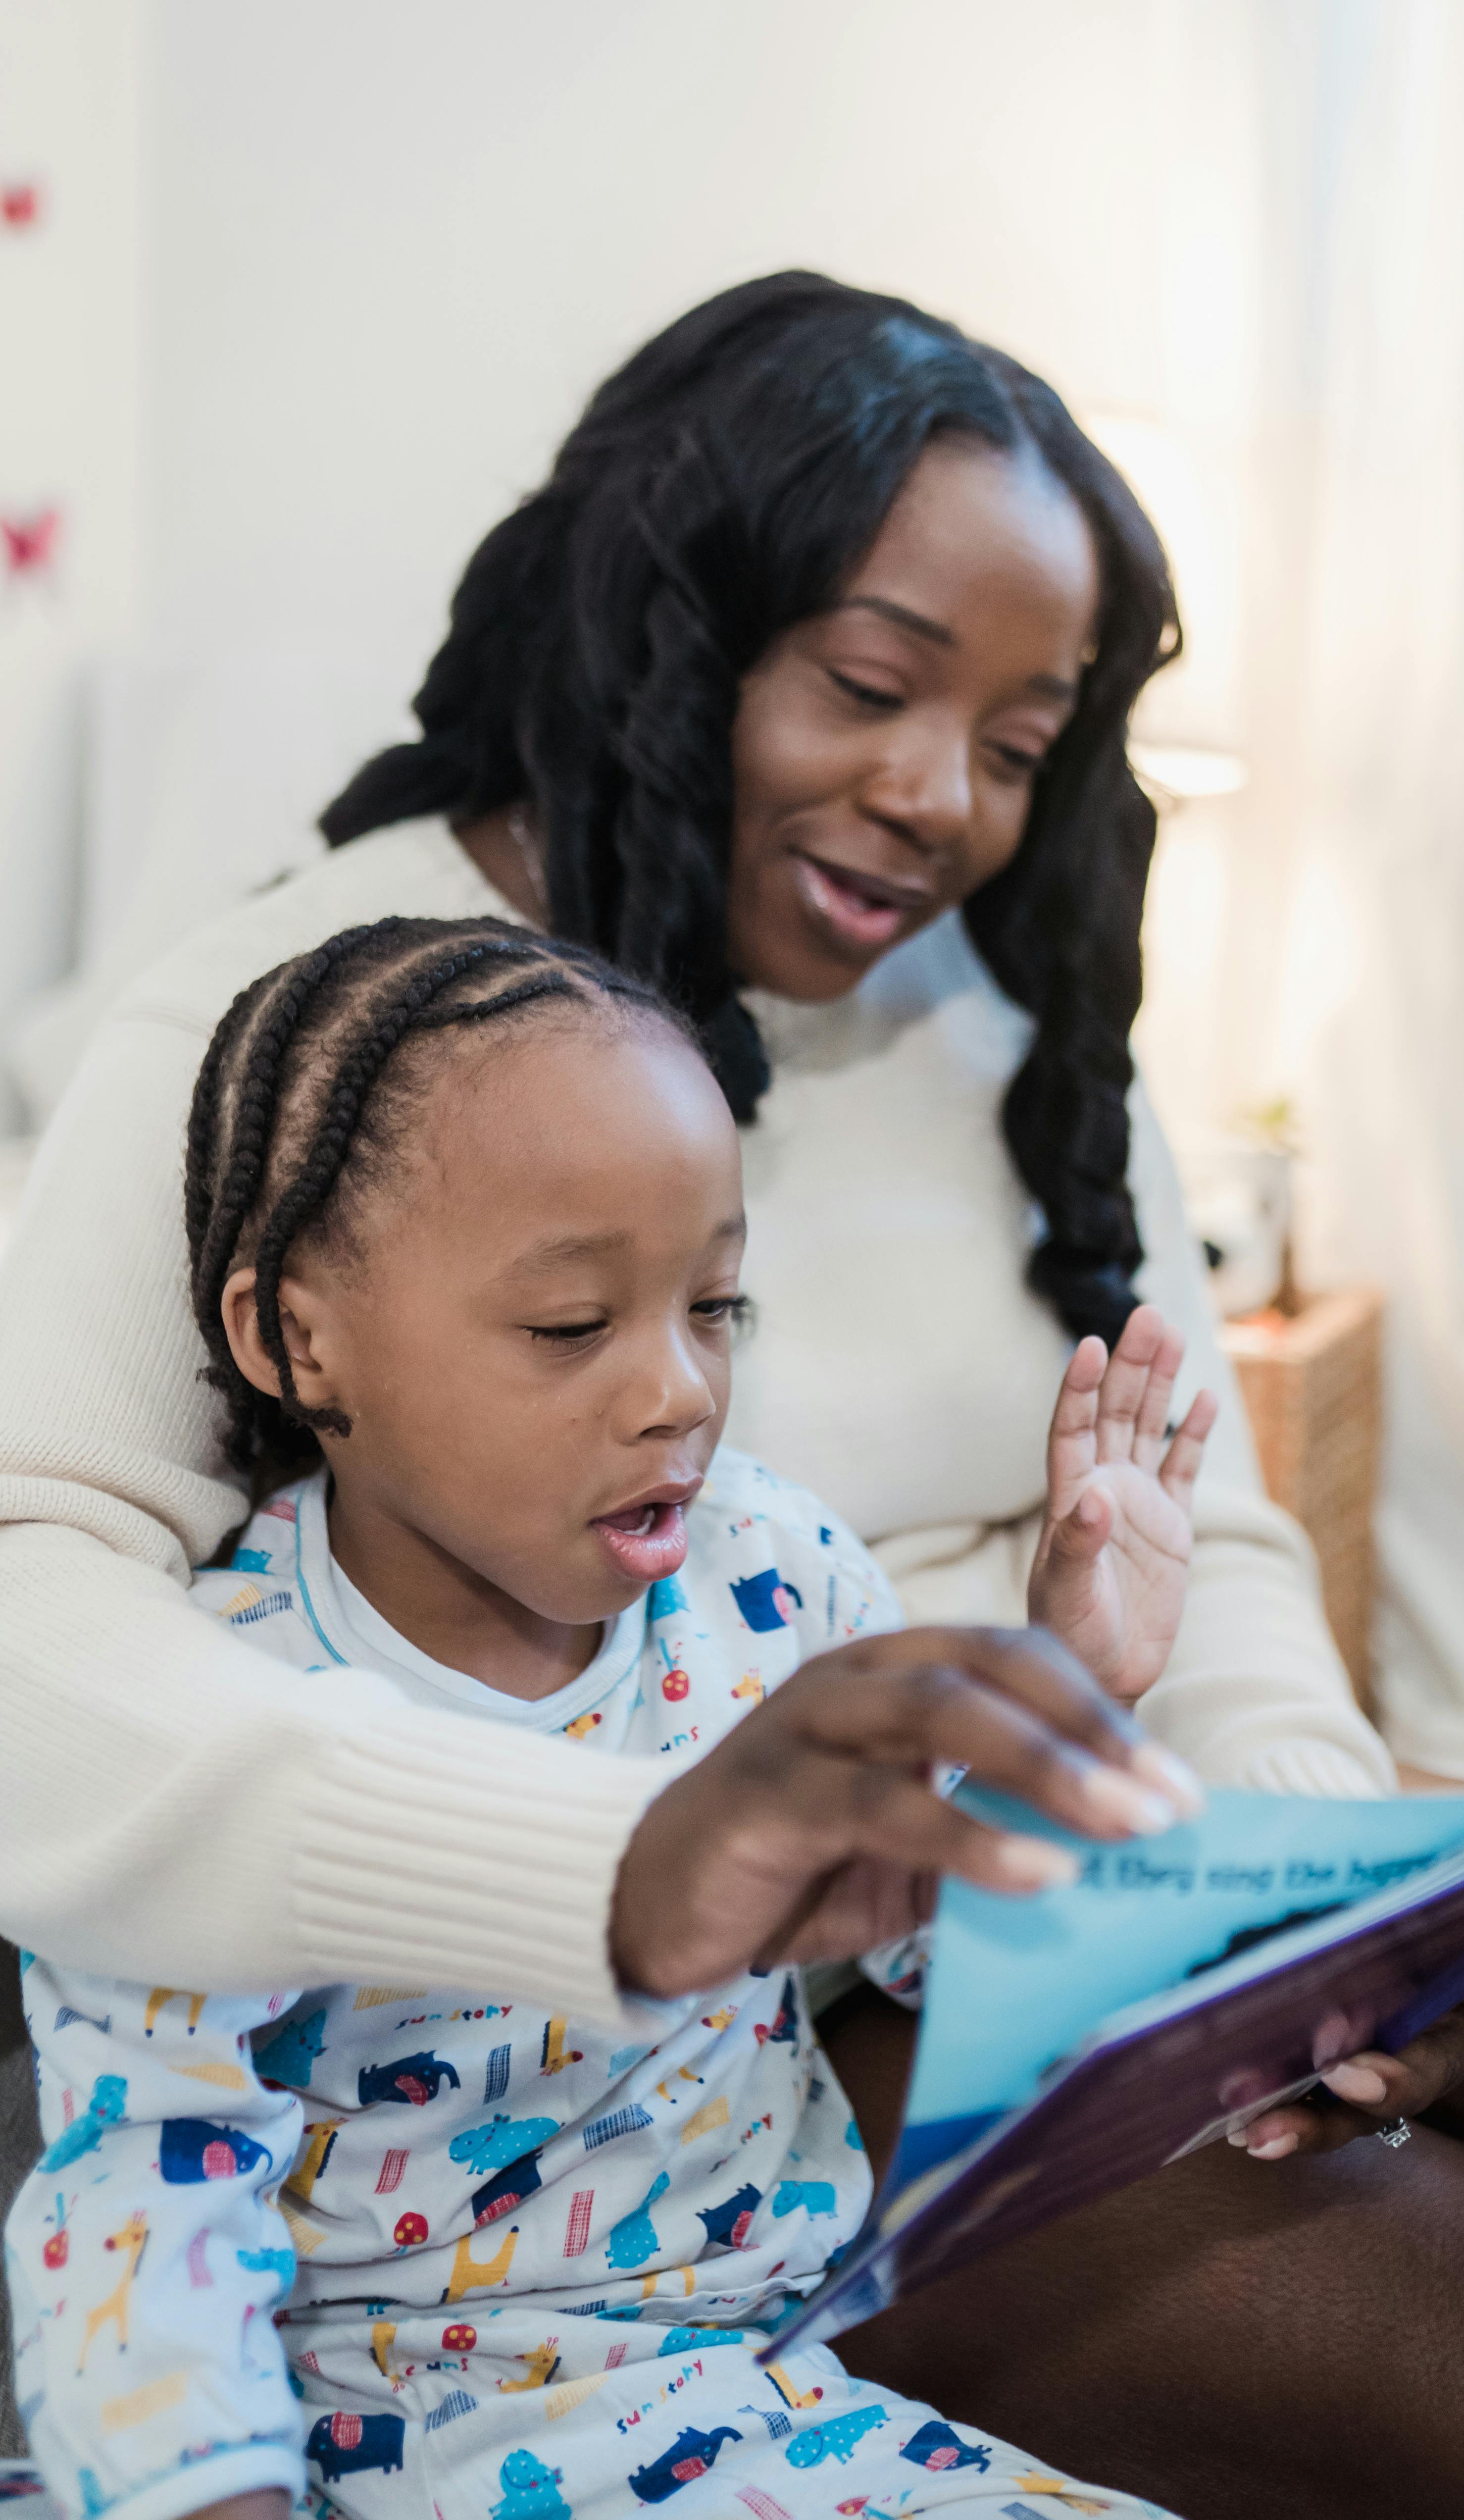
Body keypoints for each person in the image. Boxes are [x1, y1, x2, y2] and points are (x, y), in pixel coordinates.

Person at [5, 274, 1464, 2515]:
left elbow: (1207, 1531)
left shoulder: (998, 1017)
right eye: (868, 685)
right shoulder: (299, 1046)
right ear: (681, 628)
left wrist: (1308, 1906)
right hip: (734, 2064)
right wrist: (647, 1860)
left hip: (1091, 1903)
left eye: (1024, 742)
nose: (941, 801)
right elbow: (28, 1631)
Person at [9, 911, 1213, 2520]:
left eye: (716, 1310)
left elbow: (932, 1938)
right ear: (295, 1337)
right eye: (573, 1326)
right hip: (405, 2450)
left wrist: (1067, 1689)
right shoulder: (217, 1721)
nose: (680, 1391)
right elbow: (146, 2210)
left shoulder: (772, 1581)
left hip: (775, 2390)